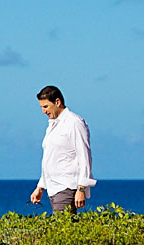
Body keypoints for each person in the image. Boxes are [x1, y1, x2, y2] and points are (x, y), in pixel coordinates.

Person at [30, 85, 96, 213]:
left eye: (46, 107)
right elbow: (51, 158)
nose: (43, 111)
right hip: (53, 187)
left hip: (66, 186)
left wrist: (81, 188)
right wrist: (40, 187)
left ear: (57, 102)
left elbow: (85, 156)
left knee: (61, 228)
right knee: (62, 229)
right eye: (41, 107)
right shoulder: (53, 125)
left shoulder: (74, 122)